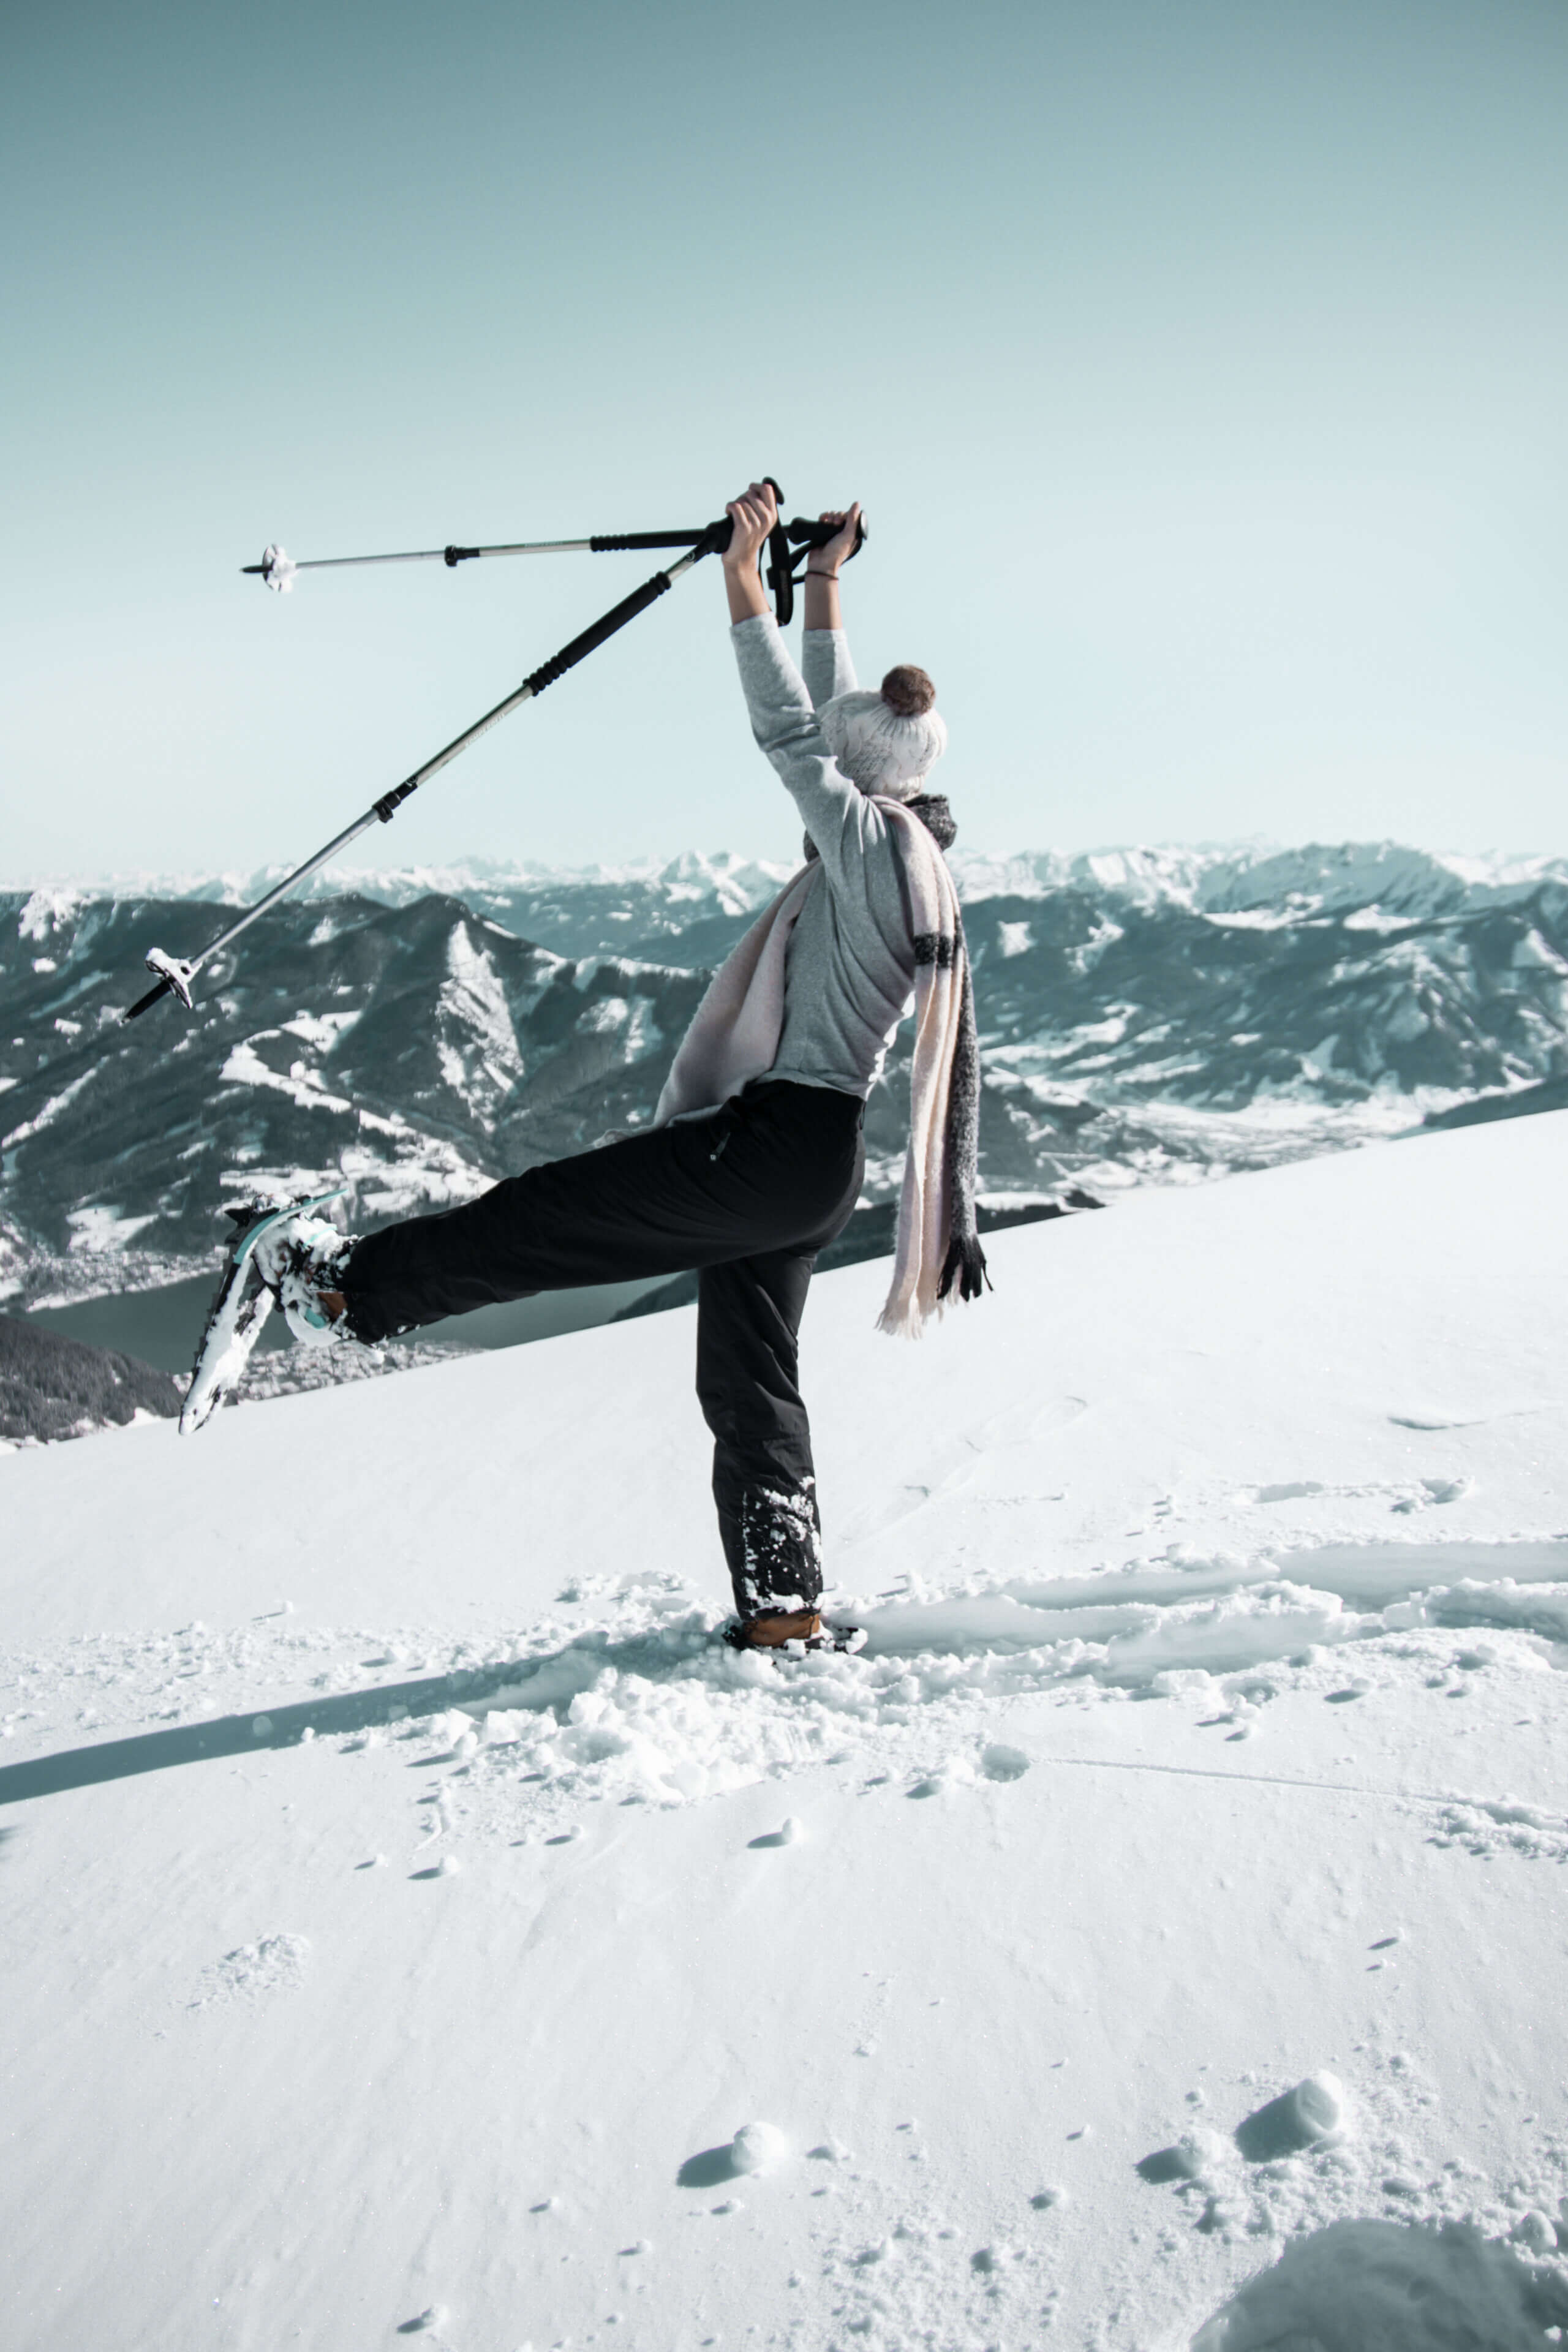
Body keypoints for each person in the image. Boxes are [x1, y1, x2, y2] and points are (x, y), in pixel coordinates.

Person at [255, 479, 986, 1648]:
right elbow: (841, 722)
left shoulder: (859, 844)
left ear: (858, 778)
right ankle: (784, 1610)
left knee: (547, 1217)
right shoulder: (912, 856)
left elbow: (795, 731)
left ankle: (344, 1295)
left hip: (772, 1147)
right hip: (818, 1163)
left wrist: (744, 581)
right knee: (749, 1381)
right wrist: (823, 578)